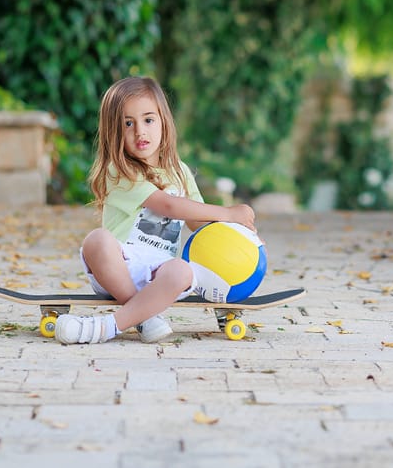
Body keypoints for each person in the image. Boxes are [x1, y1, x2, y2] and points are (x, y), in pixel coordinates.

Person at [55, 76, 257, 344]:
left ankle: (112, 324)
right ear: (114, 132)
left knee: (184, 271)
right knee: (97, 240)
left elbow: (199, 223)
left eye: (148, 120)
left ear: (164, 121)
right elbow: (169, 206)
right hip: (118, 267)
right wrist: (229, 213)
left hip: (159, 275)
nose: (140, 131)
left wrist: (240, 234)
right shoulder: (119, 171)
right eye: (128, 124)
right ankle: (140, 317)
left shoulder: (179, 172)